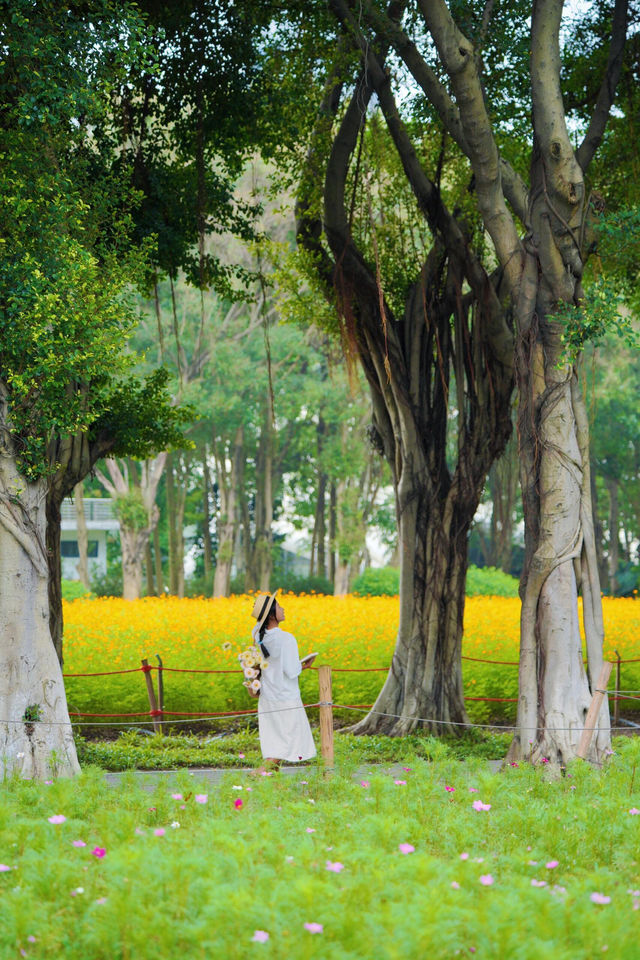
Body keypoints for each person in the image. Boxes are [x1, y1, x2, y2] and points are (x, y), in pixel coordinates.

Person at [250, 589, 316, 770]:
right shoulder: (286, 638)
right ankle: (260, 773)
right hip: (287, 697)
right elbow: (291, 671)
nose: (283, 608)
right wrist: (304, 665)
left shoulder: (258, 637)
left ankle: (273, 784)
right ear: (272, 615)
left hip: (268, 697)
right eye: (279, 606)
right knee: (289, 740)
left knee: (274, 740)